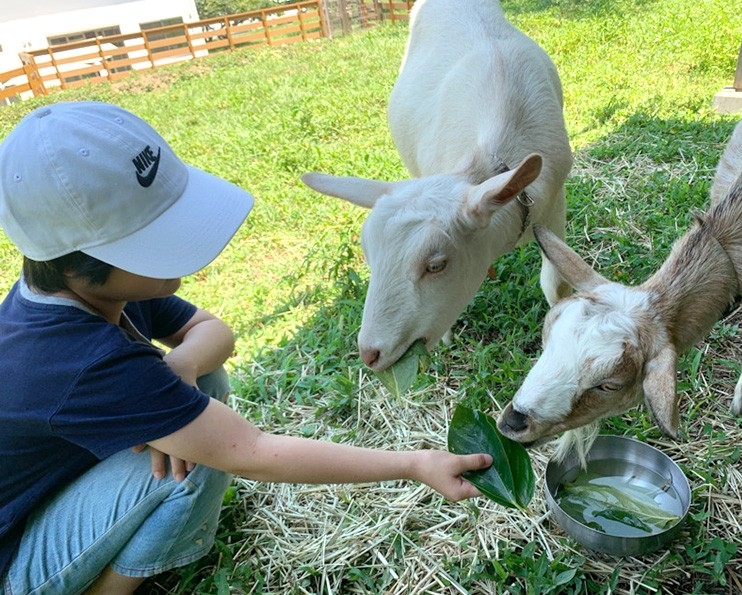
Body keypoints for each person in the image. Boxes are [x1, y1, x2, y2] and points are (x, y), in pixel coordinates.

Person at [0, 101, 492, 595]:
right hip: (13, 560)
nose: (179, 248)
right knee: (197, 464)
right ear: (74, 264)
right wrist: (414, 464)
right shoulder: (82, 360)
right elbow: (253, 452)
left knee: (202, 383)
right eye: (151, 241)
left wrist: (183, 363)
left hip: (53, 489)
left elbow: (211, 330)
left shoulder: (86, 294)